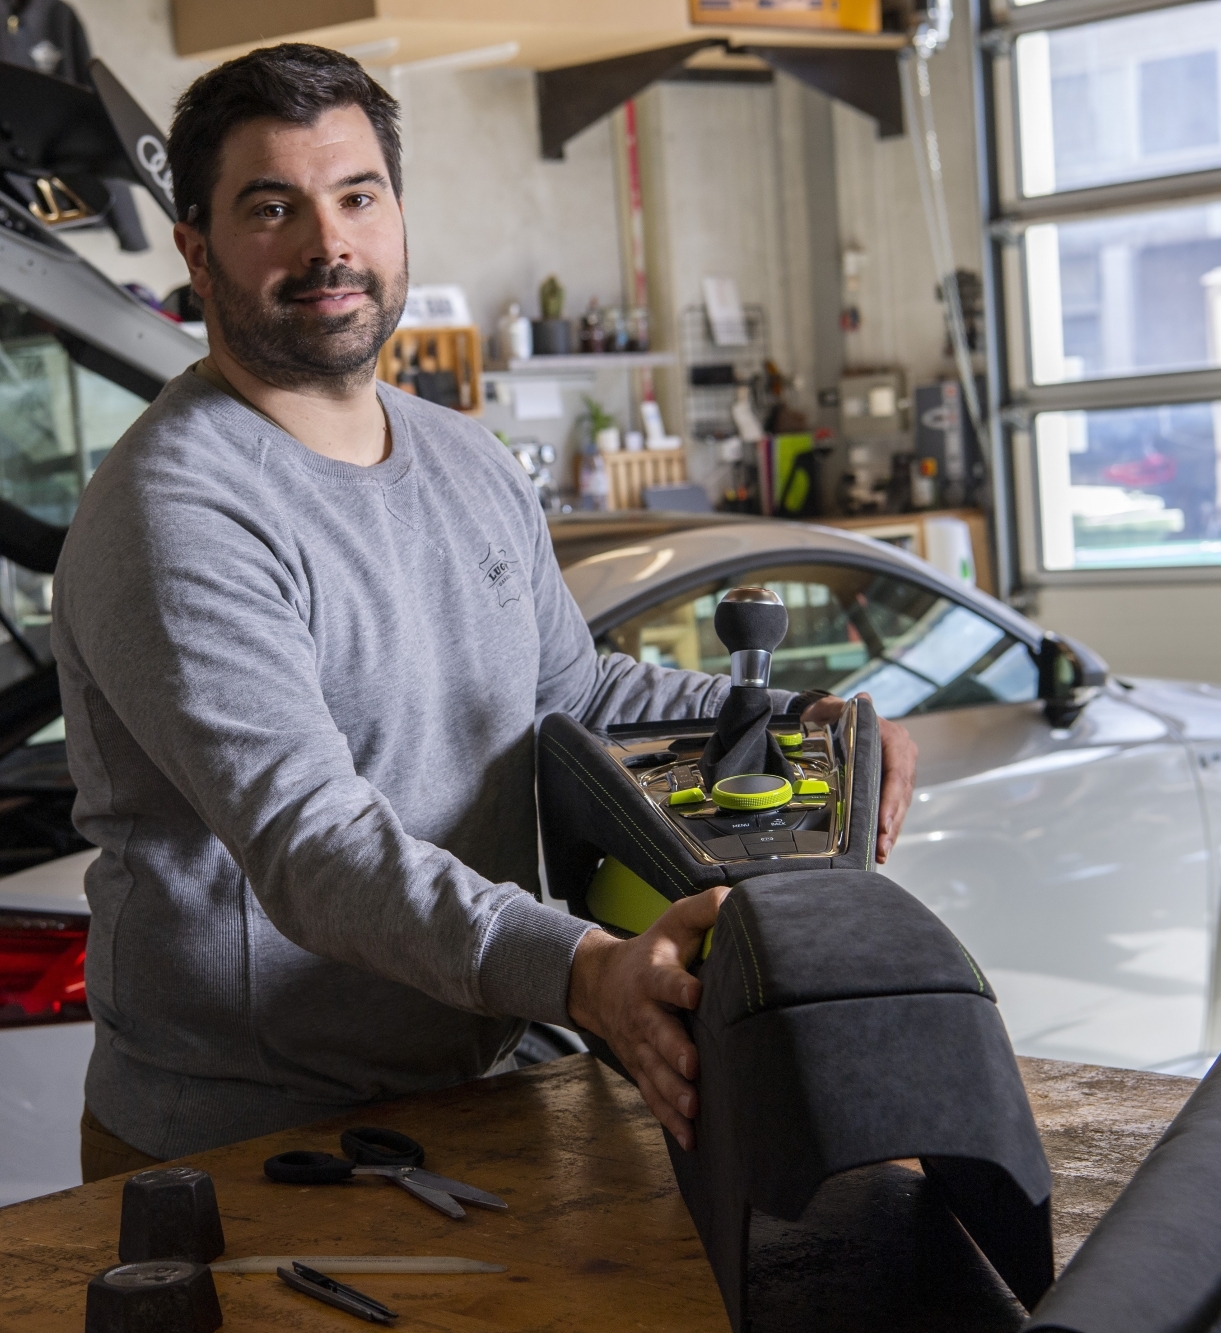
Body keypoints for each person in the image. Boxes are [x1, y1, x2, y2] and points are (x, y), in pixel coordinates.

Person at [50, 42, 917, 1181]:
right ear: (197, 255)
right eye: (274, 208)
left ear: (398, 217)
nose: (329, 245)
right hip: (247, 1143)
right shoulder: (180, 511)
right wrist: (582, 969)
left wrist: (803, 719)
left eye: (358, 196)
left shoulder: (462, 457)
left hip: (477, 1089)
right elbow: (314, 847)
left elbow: (573, 691)